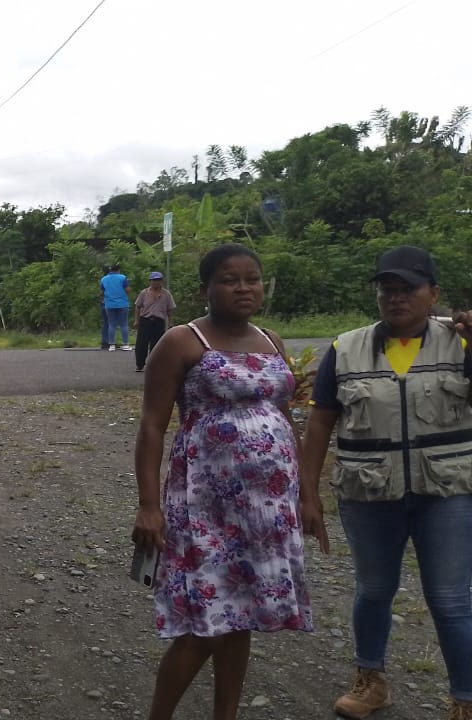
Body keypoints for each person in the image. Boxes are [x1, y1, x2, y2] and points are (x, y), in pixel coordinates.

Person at [132, 243, 313, 720]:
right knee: (204, 625)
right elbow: (152, 425)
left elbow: (284, 417)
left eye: (252, 279)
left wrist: (306, 495)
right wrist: (148, 505)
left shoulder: (271, 340)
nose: (243, 288)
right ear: (205, 289)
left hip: (268, 507)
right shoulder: (182, 341)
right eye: (230, 280)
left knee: (242, 615)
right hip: (206, 505)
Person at [299, 245, 472, 720]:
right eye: (386, 289)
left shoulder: (460, 343)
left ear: (433, 293)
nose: (395, 298)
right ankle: (370, 681)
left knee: (451, 600)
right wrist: (307, 493)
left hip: (447, 493)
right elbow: (321, 421)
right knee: (374, 590)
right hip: (369, 492)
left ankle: (465, 700)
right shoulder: (345, 348)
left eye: (408, 289)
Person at [134, 271, 176, 372]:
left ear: (161, 281)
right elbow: (138, 307)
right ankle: (140, 364)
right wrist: (136, 320)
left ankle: (154, 365)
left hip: (158, 321)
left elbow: (170, 309)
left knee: (157, 345)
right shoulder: (144, 293)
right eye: (154, 280)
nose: (156, 282)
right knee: (141, 344)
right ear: (150, 281)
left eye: (158, 280)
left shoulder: (166, 294)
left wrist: (171, 322)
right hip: (145, 320)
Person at [101, 264, 133, 351]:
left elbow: (101, 292)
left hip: (109, 304)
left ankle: (111, 345)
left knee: (111, 325)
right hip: (122, 304)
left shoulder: (104, 279)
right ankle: (125, 344)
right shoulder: (122, 277)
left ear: (110, 270)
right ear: (118, 270)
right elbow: (127, 290)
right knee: (124, 324)